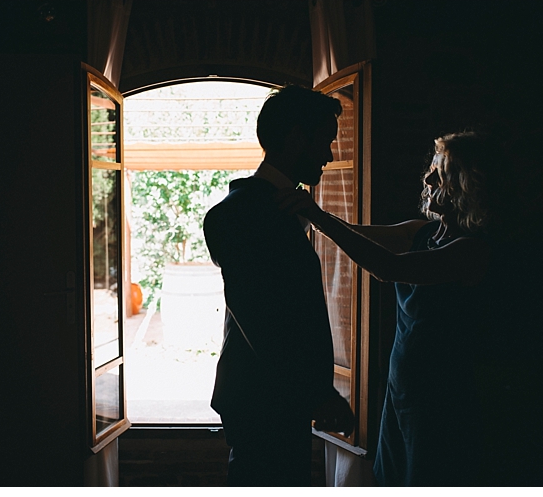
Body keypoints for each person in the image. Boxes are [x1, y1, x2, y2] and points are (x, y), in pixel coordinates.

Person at [277, 131, 501, 486]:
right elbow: (355, 233)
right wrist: (315, 218)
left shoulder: (471, 250)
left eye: (440, 172)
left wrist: (317, 216)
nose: (428, 179)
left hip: (442, 396)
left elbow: (387, 267)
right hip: (402, 390)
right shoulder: (423, 232)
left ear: (465, 184)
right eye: (431, 170)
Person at [203, 85, 355, 487]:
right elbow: (262, 321)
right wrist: (318, 393)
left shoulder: (288, 208)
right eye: (324, 141)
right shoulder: (234, 216)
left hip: (277, 397)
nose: (329, 155)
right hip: (262, 398)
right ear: (296, 138)